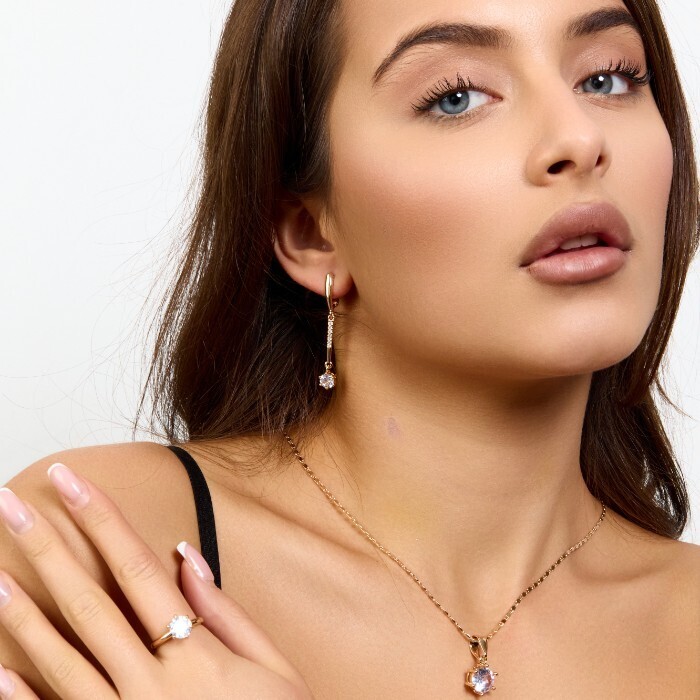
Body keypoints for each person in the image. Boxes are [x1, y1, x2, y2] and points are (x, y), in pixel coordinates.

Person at [0, 0, 698, 697]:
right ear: (311, 233)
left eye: (608, 78)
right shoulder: (104, 548)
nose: (580, 137)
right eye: (456, 96)